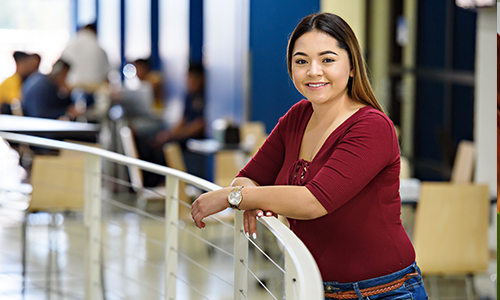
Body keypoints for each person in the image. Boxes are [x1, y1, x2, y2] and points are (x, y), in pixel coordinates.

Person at [191, 13, 427, 300]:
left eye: (327, 60)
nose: (314, 71)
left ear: (352, 66)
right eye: (301, 61)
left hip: (383, 291)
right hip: (314, 287)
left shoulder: (372, 127)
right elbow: (250, 175)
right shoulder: (297, 116)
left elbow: (314, 201)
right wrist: (252, 195)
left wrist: (235, 197)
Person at [61, 23, 111, 107]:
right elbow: (106, 76)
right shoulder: (99, 48)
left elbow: (61, 73)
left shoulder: (69, 46)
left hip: (72, 90)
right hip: (94, 92)